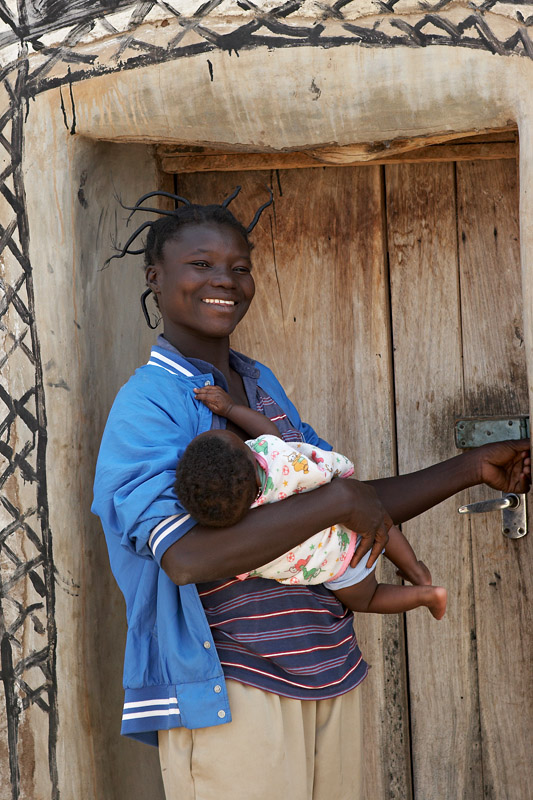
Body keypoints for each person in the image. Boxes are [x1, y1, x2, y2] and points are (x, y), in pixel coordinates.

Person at [92, 190, 530, 800]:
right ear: (155, 277)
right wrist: (336, 505)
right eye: (200, 265)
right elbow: (186, 558)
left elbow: (339, 495)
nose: (225, 281)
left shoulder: (258, 384)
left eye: (239, 268)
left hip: (330, 669)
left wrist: (472, 467)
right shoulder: (149, 403)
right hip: (235, 687)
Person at [175, 387, 447, 619]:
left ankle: (427, 596)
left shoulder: (246, 534)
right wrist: (231, 408)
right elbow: (269, 430)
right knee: (382, 524)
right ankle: (416, 571)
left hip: (341, 561)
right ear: (248, 453)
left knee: (369, 597)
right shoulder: (274, 458)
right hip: (361, 518)